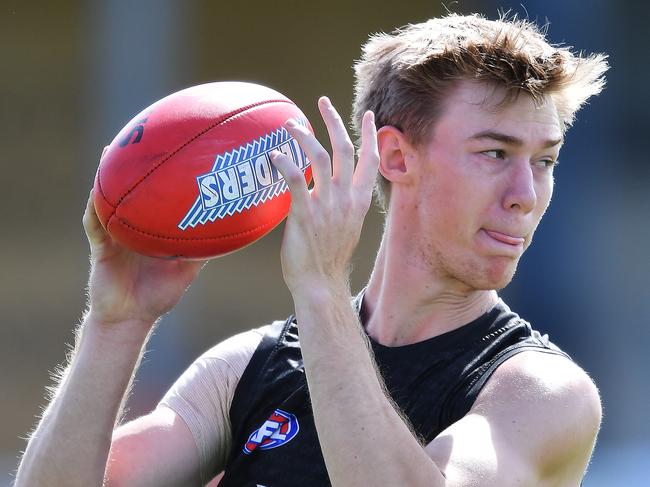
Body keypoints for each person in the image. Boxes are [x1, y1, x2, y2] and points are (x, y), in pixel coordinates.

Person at [16, 12, 608, 487]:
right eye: (495, 154)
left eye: (546, 161)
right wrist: (115, 323)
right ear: (396, 157)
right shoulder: (248, 368)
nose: (526, 195)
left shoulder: (542, 391)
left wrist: (322, 288)